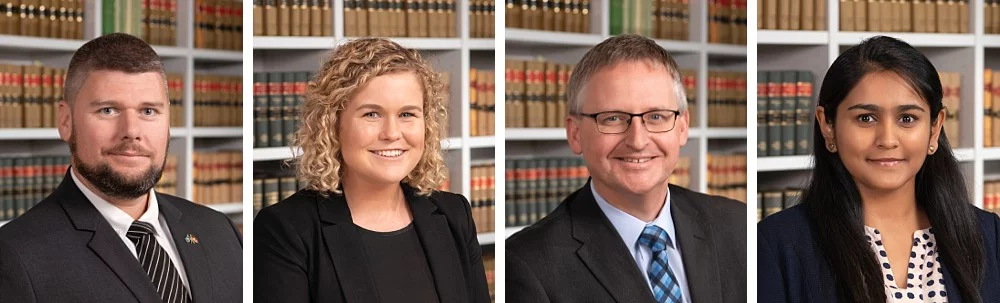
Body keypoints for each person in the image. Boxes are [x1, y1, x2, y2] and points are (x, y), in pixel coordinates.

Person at [0, 33, 242, 302]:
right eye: (108, 110)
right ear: (66, 121)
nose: (131, 131)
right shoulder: (15, 257)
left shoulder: (219, 230)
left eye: (148, 111)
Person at [506, 34, 747, 303]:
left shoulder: (738, 227)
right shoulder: (528, 264)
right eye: (613, 118)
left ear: (682, 127)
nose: (637, 140)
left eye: (656, 117)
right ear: (575, 134)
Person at [758, 36, 1000, 303]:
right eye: (866, 118)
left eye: (907, 119)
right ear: (828, 125)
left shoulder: (989, 235)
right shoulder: (777, 243)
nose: (887, 139)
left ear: (935, 128)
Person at [253, 38, 491, 303]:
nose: (392, 133)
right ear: (332, 124)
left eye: (407, 114)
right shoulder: (285, 230)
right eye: (372, 114)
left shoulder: (454, 214)